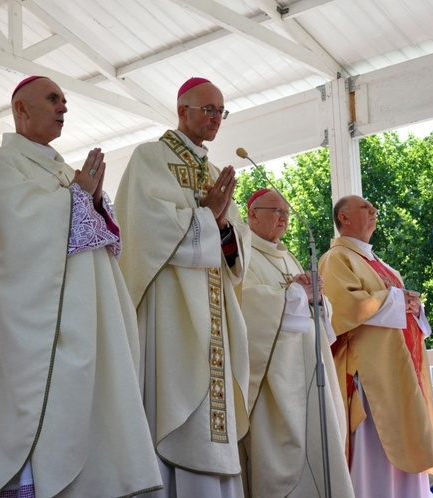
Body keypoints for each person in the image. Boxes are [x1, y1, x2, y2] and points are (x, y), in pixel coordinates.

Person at [0, 75, 162, 498]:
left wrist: (96, 202)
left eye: (65, 101)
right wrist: (76, 199)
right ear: (21, 110)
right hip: (41, 334)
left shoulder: (66, 170)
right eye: (52, 99)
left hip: (88, 322)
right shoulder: (2, 163)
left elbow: (104, 243)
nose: (63, 108)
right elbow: (16, 238)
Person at [115, 77, 251, 497]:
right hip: (169, 310)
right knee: (172, 406)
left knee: (216, 416)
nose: (215, 119)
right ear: (182, 111)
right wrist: (206, 217)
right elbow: (142, 229)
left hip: (214, 314)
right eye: (207, 109)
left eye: (220, 112)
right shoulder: (149, 158)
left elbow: (235, 249)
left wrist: (223, 225)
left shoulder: (213, 172)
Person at [318, 195, 433, 497]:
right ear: (344, 218)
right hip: (370, 377)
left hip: (401, 373)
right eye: (365, 207)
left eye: (373, 207)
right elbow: (346, 307)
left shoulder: (382, 266)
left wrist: (415, 307)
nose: (374, 211)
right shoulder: (336, 259)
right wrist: (401, 300)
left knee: (406, 444)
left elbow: (403, 314)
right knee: (375, 456)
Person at [239, 189, 354, 497]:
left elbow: (312, 306)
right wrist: (293, 295)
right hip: (274, 373)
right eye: (276, 211)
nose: (284, 217)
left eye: (286, 212)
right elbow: (244, 304)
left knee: (321, 438)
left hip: (309, 365)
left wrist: (316, 298)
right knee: (285, 449)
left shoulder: (287, 256)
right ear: (252, 215)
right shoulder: (243, 253)